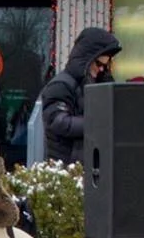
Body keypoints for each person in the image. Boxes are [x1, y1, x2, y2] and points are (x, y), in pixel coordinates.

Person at [39, 26, 120, 166]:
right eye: (99, 64)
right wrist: (98, 124)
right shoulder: (60, 85)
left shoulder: (95, 84)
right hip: (66, 167)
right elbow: (58, 122)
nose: (101, 69)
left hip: (89, 165)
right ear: (87, 59)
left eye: (105, 66)